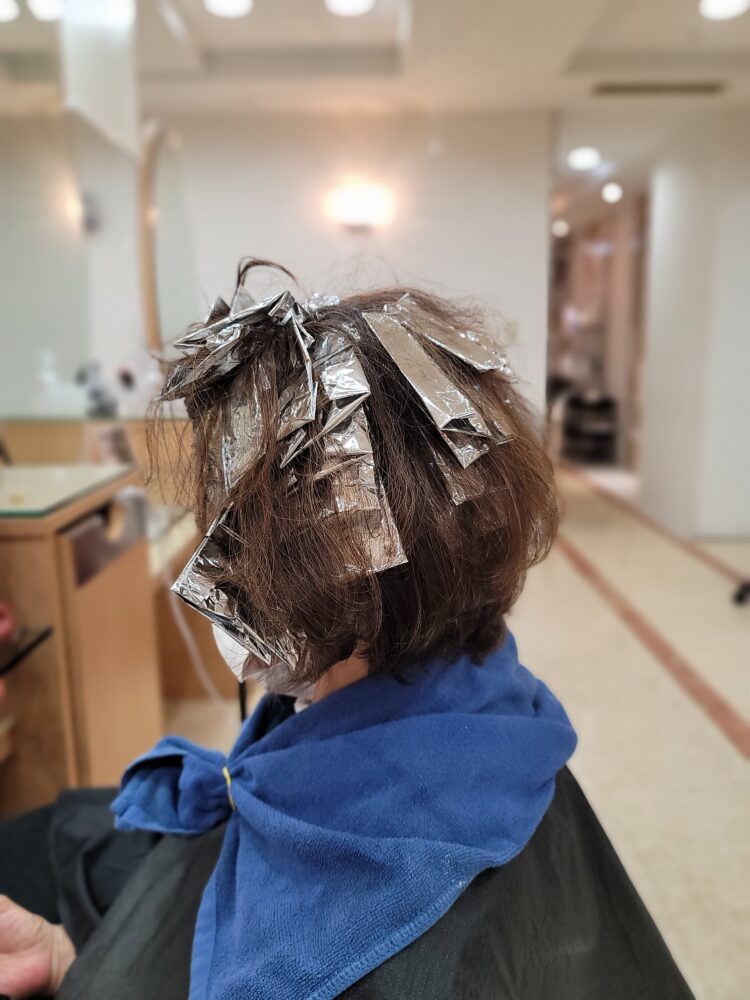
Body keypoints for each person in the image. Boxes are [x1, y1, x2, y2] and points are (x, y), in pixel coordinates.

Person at [0, 261, 694, 1000]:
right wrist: (64, 950)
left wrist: (77, 974)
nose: (215, 557)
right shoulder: (485, 689)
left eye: (227, 533)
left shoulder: (369, 960)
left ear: (329, 580)